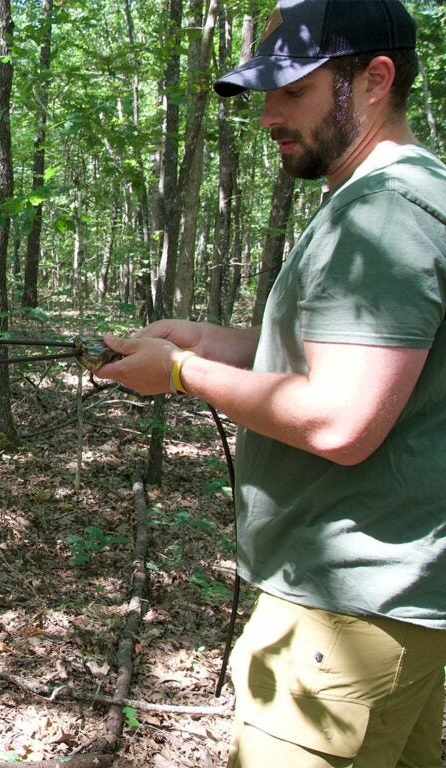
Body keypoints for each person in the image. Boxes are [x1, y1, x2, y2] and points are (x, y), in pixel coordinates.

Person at [92, 1, 446, 766]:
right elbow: (360, 363)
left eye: (295, 91)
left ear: (375, 79)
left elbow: (342, 420)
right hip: (384, 612)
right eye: (266, 94)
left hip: (344, 618)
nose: (269, 117)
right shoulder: (409, 195)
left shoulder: (384, 215)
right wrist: (203, 340)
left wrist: (183, 374)